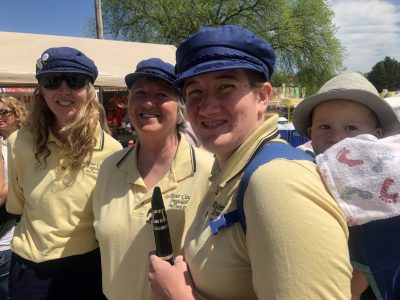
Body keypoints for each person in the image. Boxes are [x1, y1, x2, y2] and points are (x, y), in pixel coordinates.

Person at [149, 25, 352, 299]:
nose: (207, 106)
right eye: (195, 92)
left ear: (262, 96)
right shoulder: (229, 170)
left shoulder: (277, 182)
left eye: (225, 87)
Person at [6, 47, 122, 299]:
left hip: (87, 266)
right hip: (30, 267)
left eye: (75, 81)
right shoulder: (19, 142)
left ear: (89, 92)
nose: (64, 90)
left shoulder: (112, 150)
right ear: (41, 91)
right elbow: (17, 204)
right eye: (52, 81)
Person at [93, 58, 212, 300]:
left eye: (161, 94)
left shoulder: (209, 170)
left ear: (181, 112)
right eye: (139, 93)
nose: (148, 102)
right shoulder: (109, 168)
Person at [292, 71, 400, 300]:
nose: (336, 138)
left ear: (376, 138)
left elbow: (369, 257)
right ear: (310, 134)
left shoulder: (380, 177)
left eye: (351, 128)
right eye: (325, 127)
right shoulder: (303, 170)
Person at [0, 95, 26, 300]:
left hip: (19, 232)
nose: (0, 117)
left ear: (17, 115)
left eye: (4, 112)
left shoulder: (27, 142)